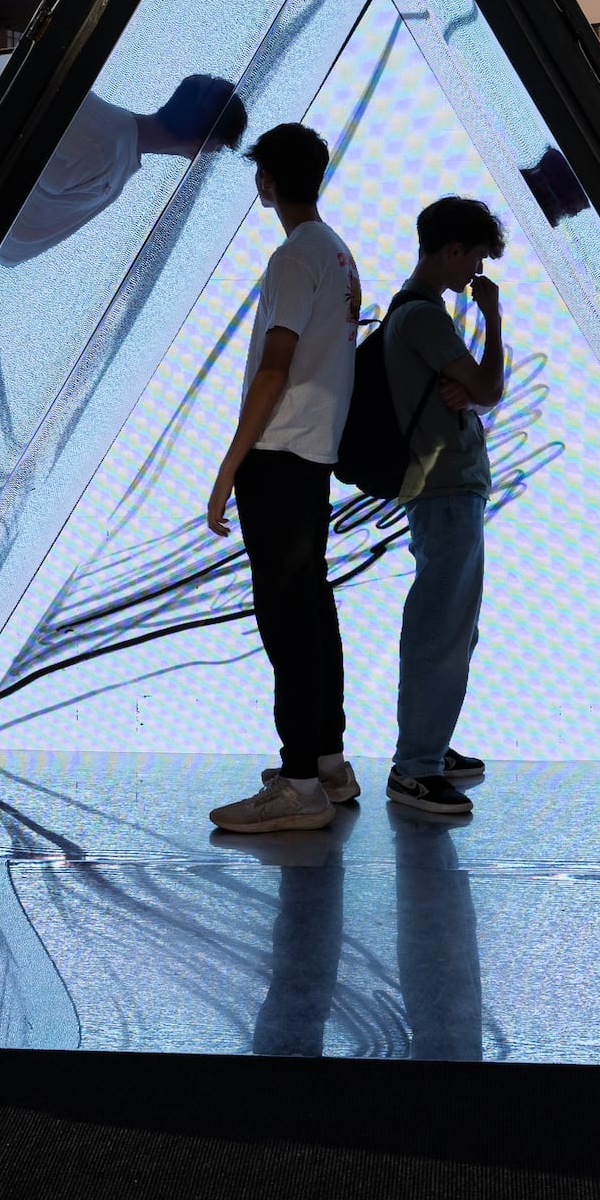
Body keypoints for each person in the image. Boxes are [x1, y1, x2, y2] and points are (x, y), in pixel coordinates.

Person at [204, 122, 363, 835]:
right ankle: (326, 761)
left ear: (266, 180)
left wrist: (227, 466)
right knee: (311, 613)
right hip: (313, 456)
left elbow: (275, 368)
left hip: (280, 457)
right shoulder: (338, 252)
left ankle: (300, 784)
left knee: (287, 621)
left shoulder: (293, 258)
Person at [379, 195, 505, 820]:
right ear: (451, 248)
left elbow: (477, 393)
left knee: (452, 625)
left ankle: (426, 748)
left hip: (444, 488)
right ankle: (417, 766)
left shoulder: (416, 313)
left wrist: (474, 390)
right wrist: (494, 320)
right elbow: (488, 389)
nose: (474, 273)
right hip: (446, 488)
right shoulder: (425, 317)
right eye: (474, 257)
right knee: (442, 628)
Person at [0, 75, 250, 265]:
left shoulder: (115, 142)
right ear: (203, 144)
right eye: (217, 148)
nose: (211, 155)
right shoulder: (103, 145)